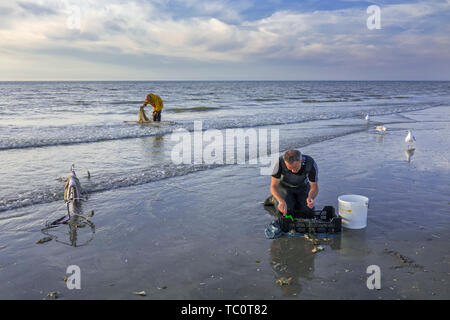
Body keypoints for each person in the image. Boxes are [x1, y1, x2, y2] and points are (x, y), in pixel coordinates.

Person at [270, 150, 319, 221]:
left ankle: (296, 200)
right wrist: (281, 201)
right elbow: (273, 186)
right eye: (289, 168)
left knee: (307, 212)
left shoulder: (310, 163)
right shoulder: (279, 163)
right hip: (284, 187)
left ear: (301, 160)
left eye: (295, 168)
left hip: (302, 186)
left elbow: (314, 187)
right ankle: (274, 199)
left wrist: (310, 197)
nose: (293, 171)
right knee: (286, 210)